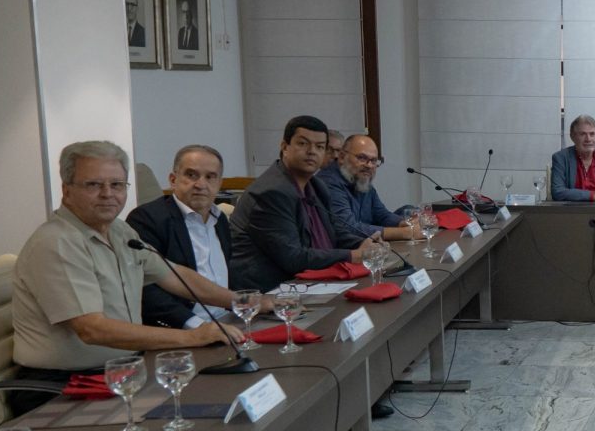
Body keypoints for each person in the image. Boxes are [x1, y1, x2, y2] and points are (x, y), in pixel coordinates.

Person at [8, 140, 248, 414]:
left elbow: (175, 275)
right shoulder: (57, 242)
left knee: (219, 400)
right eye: (93, 185)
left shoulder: (120, 232)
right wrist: (193, 336)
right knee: (189, 419)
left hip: (123, 371)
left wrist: (243, 301)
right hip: (64, 386)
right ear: (66, 189)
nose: (107, 194)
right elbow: (92, 329)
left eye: (117, 185)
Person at [229, 115, 382, 295]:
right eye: (303, 144)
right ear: (284, 147)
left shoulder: (317, 187)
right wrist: (353, 255)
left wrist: (366, 243)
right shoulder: (270, 193)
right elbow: (293, 258)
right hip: (268, 293)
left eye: (319, 147)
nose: (311, 151)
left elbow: (334, 233)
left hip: (308, 284)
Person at [126, 144, 236, 330]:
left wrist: (249, 303)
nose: (201, 184)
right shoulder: (148, 219)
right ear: (173, 179)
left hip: (228, 321)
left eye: (210, 177)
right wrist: (198, 327)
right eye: (191, 175)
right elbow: (146, 289)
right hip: (181, 329)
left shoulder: (220, 220)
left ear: (219, 183)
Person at [317, 134, 419, 241]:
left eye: (373, 161)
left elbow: (382, 215)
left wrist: (405, 223)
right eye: (362, 158)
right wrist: (406, 233)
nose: (369, 165)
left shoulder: (361, 180)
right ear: (342, 157)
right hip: (342, 250)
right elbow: (348, 228)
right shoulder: (328, 182)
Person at [551, 115, 595, 202]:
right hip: (571, 209)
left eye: (592, 134)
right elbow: (557, 192)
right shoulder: (560, 158)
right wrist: (593, 196)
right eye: (583, 134)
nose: (588, 139)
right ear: (572, 137)